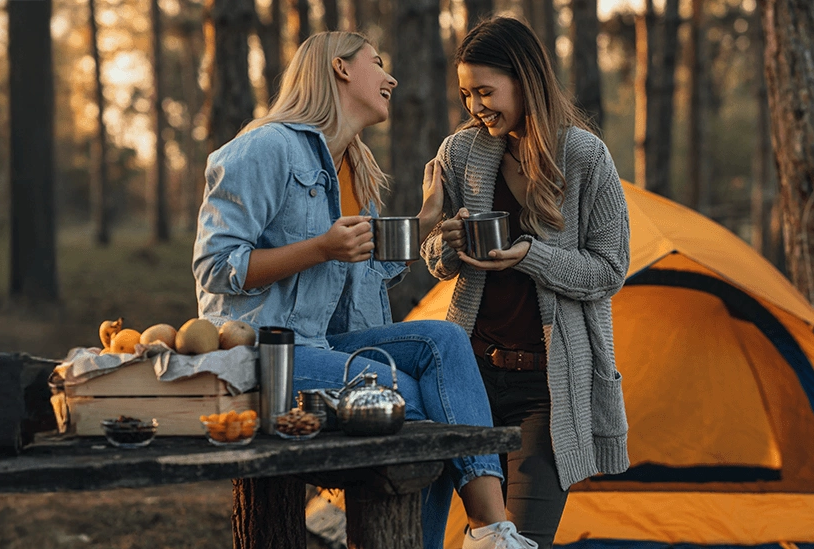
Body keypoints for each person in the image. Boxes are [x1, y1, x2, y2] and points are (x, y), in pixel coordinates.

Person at [191, 31, 535, 549]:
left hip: (327, 348)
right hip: (267, 355)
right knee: (423, 404)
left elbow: (359, 281)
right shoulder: (266, 148)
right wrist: (320, 248)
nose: (391, 76)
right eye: (378, 62)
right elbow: (215, 268)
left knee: (444, 341)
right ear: (341, 69)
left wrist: (424, 223)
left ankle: (490, 530)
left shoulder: (354, 165)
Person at [423, 16, 632, 548]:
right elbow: (437, 261)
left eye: (486, 91)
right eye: (467, 93)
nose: (475, 107)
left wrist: (529, 257)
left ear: (525, 80)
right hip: (470, 379)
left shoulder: (585, 157)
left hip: (548, 387)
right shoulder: (461, 152)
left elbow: (610, 269)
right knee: (488, 536)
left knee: (522, 539)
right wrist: (442, 243)